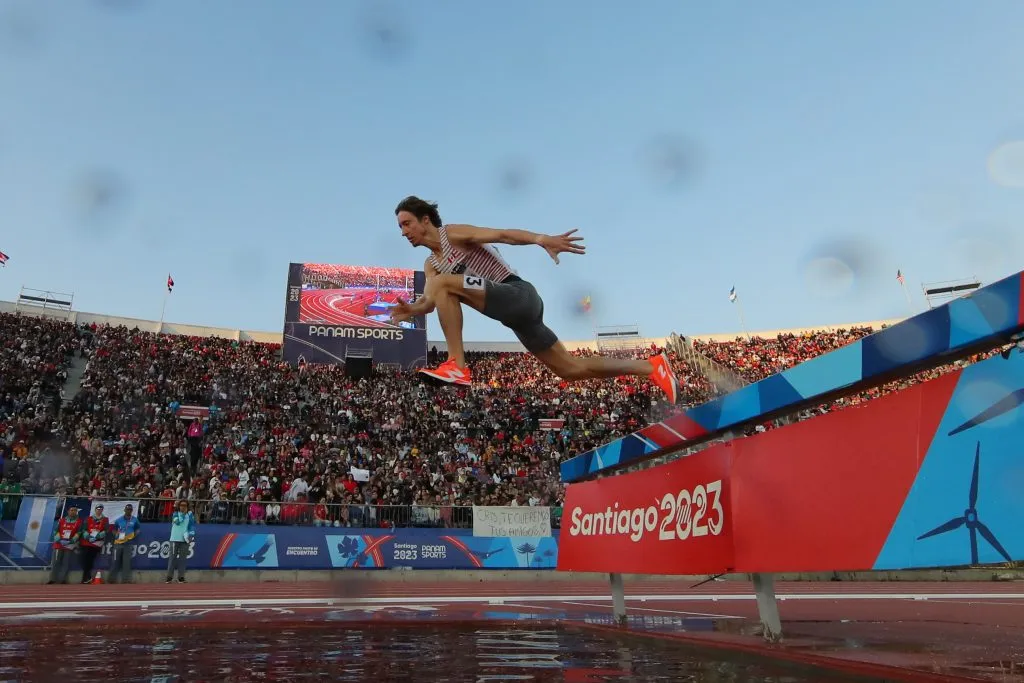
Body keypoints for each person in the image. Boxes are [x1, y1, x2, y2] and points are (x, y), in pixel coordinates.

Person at [389, 196, 679, 403]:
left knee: (443, 284)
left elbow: (501, 234)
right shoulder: (432, 266)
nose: (403, 232)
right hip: (516, 318)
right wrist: (411, 309)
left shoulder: (451, 234)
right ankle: (651, 367)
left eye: (406, 224)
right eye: (400, 227)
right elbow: (431, 301)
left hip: (518, 294)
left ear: (425, 220)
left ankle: (457, 365)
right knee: (569, 369)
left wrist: (542, 239)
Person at [166, 499, 196, 584]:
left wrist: (191, 536)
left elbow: (192, 526)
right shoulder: (175, 514)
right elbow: (178, 522)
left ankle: (181, 577)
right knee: (172, 558)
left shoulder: (190, 515)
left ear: (187, 506)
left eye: (185, 505)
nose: (183, 507)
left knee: (182, 559)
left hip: (185, 539)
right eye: (181, 505)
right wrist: (182, 514)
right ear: (179, 506)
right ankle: (169, 577)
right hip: (175, 539)